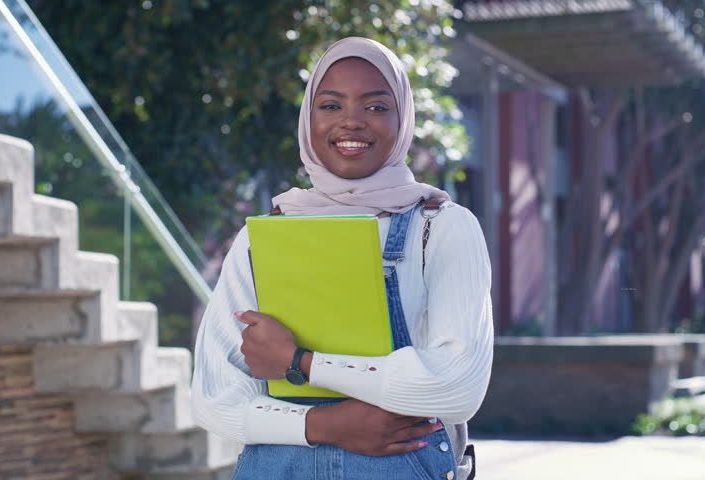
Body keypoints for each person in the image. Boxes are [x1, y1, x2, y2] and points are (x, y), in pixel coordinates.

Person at [191, 36, 493, 480]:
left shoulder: (441, 227)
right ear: (307, 117)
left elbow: (456, 387)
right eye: (330, 106)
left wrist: (301, 363)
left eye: (375, 107)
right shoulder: (263, 236)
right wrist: (326, 425)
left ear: (403, 117)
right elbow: (213, 398)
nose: (352, 122)